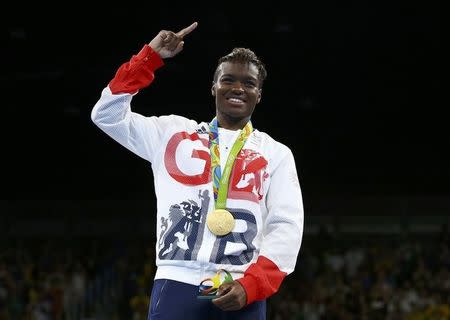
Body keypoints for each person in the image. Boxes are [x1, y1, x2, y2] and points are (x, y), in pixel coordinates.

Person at [91, 21, 304, 320]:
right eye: (228, 80)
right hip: (177, 281)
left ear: (260, 94)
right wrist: (149, 58)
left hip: (241, 287)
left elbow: (286, 227)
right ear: (213, 87)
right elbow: (107, 114)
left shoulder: (276, 154)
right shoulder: (172, 134)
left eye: (249, 83)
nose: (238, 88)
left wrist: (252, 285)